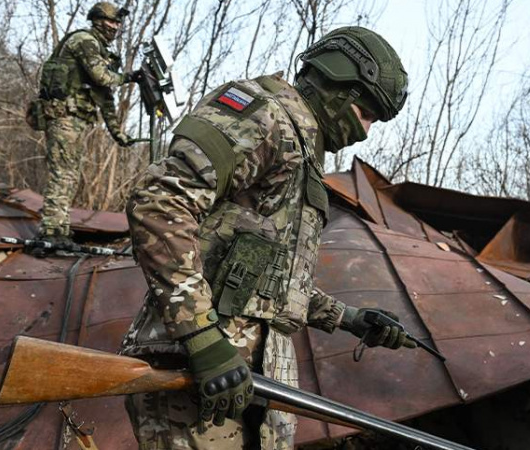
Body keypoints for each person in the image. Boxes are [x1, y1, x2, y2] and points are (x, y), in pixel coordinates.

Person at [120, 26, 412, 449]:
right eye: (366, 113)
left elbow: (266, 282)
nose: (365, 131)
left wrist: (349, 319)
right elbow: (160, 201)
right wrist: (202, 338)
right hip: (195, 377)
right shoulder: (264, 114)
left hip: (258, 383)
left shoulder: (301, 151)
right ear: (338, 85)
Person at [28, 1, 142, 250]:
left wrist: (117, 133)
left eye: (117, 23)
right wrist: (130, 77)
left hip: (75, 121)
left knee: (70, 174)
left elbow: (104, 96)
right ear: (98, 20)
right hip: (63, 117)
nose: (115, 26)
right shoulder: (85, 41)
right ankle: (51, 231)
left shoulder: (101, 50)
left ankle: (59, 228)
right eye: (111, 21)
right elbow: (103, 77)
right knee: (64, 174)